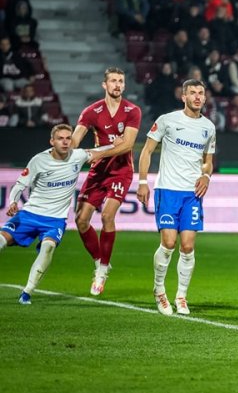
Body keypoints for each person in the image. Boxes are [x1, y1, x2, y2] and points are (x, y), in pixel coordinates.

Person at [2, 124, 115, 304]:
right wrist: (13, 202)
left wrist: (121, 143)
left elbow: (99, 151)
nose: (65, 142)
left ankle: (27, 292)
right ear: (52, 141)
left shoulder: (77, 156)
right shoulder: (38, 160)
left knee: (48, 247)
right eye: (61, 138)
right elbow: (19, 184)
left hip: (55, 220)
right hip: (30, 214)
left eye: (68, 138)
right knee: (1, 240)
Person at [136, 79, 217, 316]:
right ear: (183, 97)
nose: (197, 97)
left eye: (201, 93)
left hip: (192, 193)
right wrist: (142, 182)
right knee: (169, 243)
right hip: (168, 189)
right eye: (192, 93)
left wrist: (206, 177)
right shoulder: (167, 120)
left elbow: (208, 161)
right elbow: (147, 151)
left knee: (188, 246)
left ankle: (181, 296)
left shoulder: (209, 127)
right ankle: (159, 290)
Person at [71, 67, 142, 296]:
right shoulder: (92, 112)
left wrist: (96, 153)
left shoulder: (132, 111)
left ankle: (101, 272)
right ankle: (100, 260)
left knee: (107, 215)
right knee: (81, 220)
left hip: (121, 170)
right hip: (98, 173)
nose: (117, 85)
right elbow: (74, 140)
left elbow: (128, 145)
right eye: (113, 81)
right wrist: (63, 152)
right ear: (105, 85)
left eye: (121, 81)